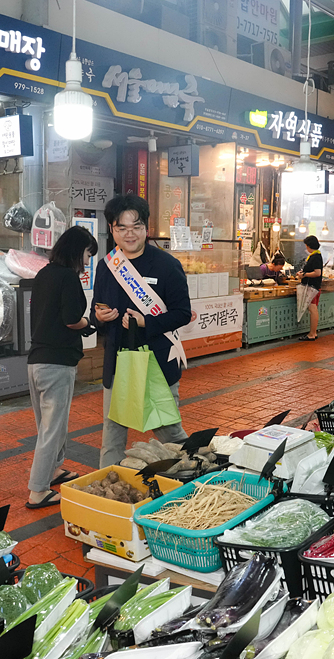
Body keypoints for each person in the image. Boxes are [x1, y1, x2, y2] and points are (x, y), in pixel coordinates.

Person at [93, 194, 192, 468]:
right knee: (112, 435)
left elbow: (182, 313)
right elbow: (95, 310)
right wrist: (100, 316)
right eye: (121, 228)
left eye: (136, 226)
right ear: (111, 230)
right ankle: (105, 494)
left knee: (170, 434)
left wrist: (147, 322)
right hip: (118, 362)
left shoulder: (167, 265)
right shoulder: (107, 265)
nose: (130, 234)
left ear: (146, 228)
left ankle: (193, 475)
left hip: (157, 363)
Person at [25, 226, 98, 508]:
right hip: (57, 363)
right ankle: (38, 490)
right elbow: (71, 319)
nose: (87, 260)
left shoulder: (44, 273)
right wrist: (91, 324)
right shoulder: (68, 277)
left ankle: (54, 470)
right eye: (87, 253)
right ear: (77, 250)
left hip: (37, 360)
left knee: (48, 425)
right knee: (52, 428)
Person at [297, 235, 323, 341]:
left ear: (309, 246)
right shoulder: (315, 256)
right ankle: (313, 332)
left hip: (312, 286)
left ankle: (312, 334)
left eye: (306, 246)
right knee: (313, 308)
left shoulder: (315, 257)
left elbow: (317, 273)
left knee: (312, 309)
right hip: (313, 286)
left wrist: (305, 275)